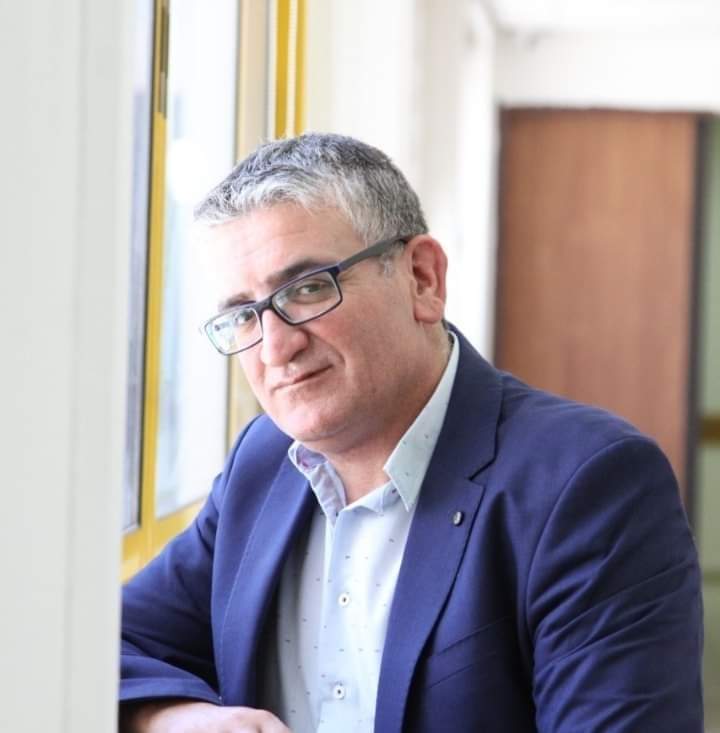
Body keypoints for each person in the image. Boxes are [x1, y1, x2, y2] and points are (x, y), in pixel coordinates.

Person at [119, 133, 703, 732]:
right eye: (244, 315)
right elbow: (109, 642)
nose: (275, 348)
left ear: (423, 279)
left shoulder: (590, 484)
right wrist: (170, 718)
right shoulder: (263, 461)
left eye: (308, 288)